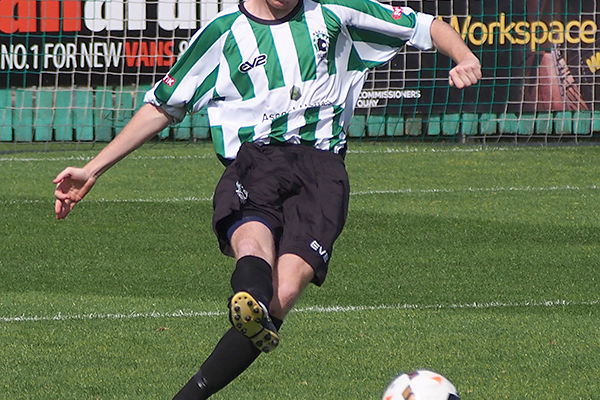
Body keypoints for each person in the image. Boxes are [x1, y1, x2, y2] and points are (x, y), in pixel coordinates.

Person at [53, 0, 481, 398]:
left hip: (323, 169)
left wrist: (465, 57)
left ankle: (249, 312)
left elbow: (426, 25)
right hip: (256, 160)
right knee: (253, 240)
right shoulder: (223, 32)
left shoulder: (335, 12)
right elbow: (164, 106)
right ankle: (248, 304)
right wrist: (93, 168)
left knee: (287, 288)